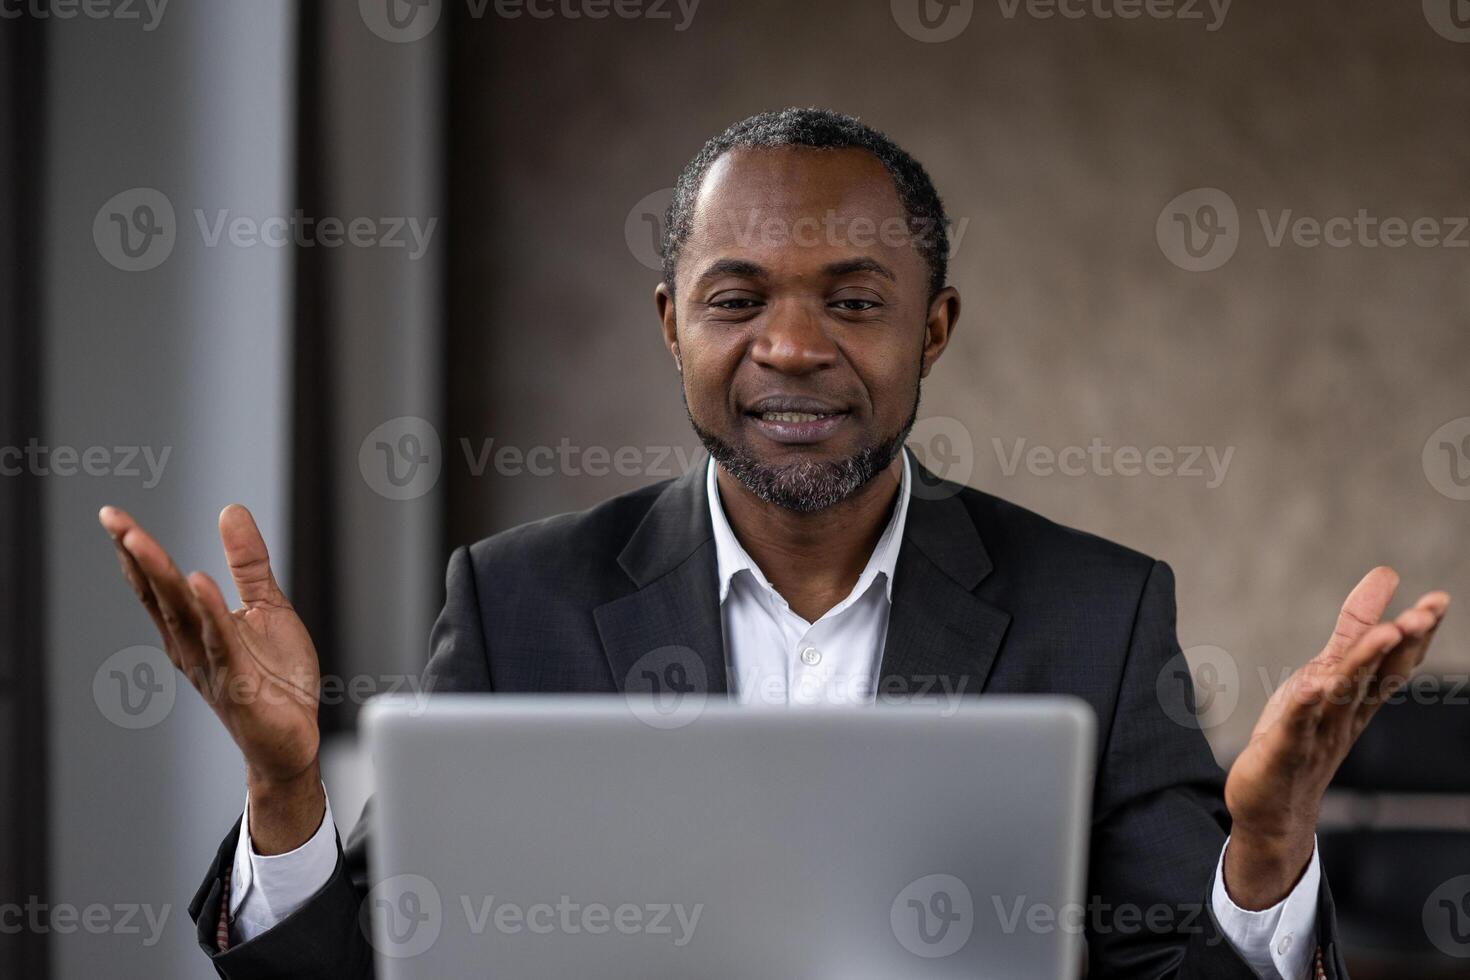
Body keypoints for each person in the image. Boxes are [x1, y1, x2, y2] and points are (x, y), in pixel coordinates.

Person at [99, 108, 1448, 979]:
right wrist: (286, 796)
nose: (791, 347)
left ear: (933, 328)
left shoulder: (1093, 609)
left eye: (852, 301)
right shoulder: (522, 602)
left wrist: (1261, 854)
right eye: (734, 298)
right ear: (670, 323)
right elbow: (389, 965)